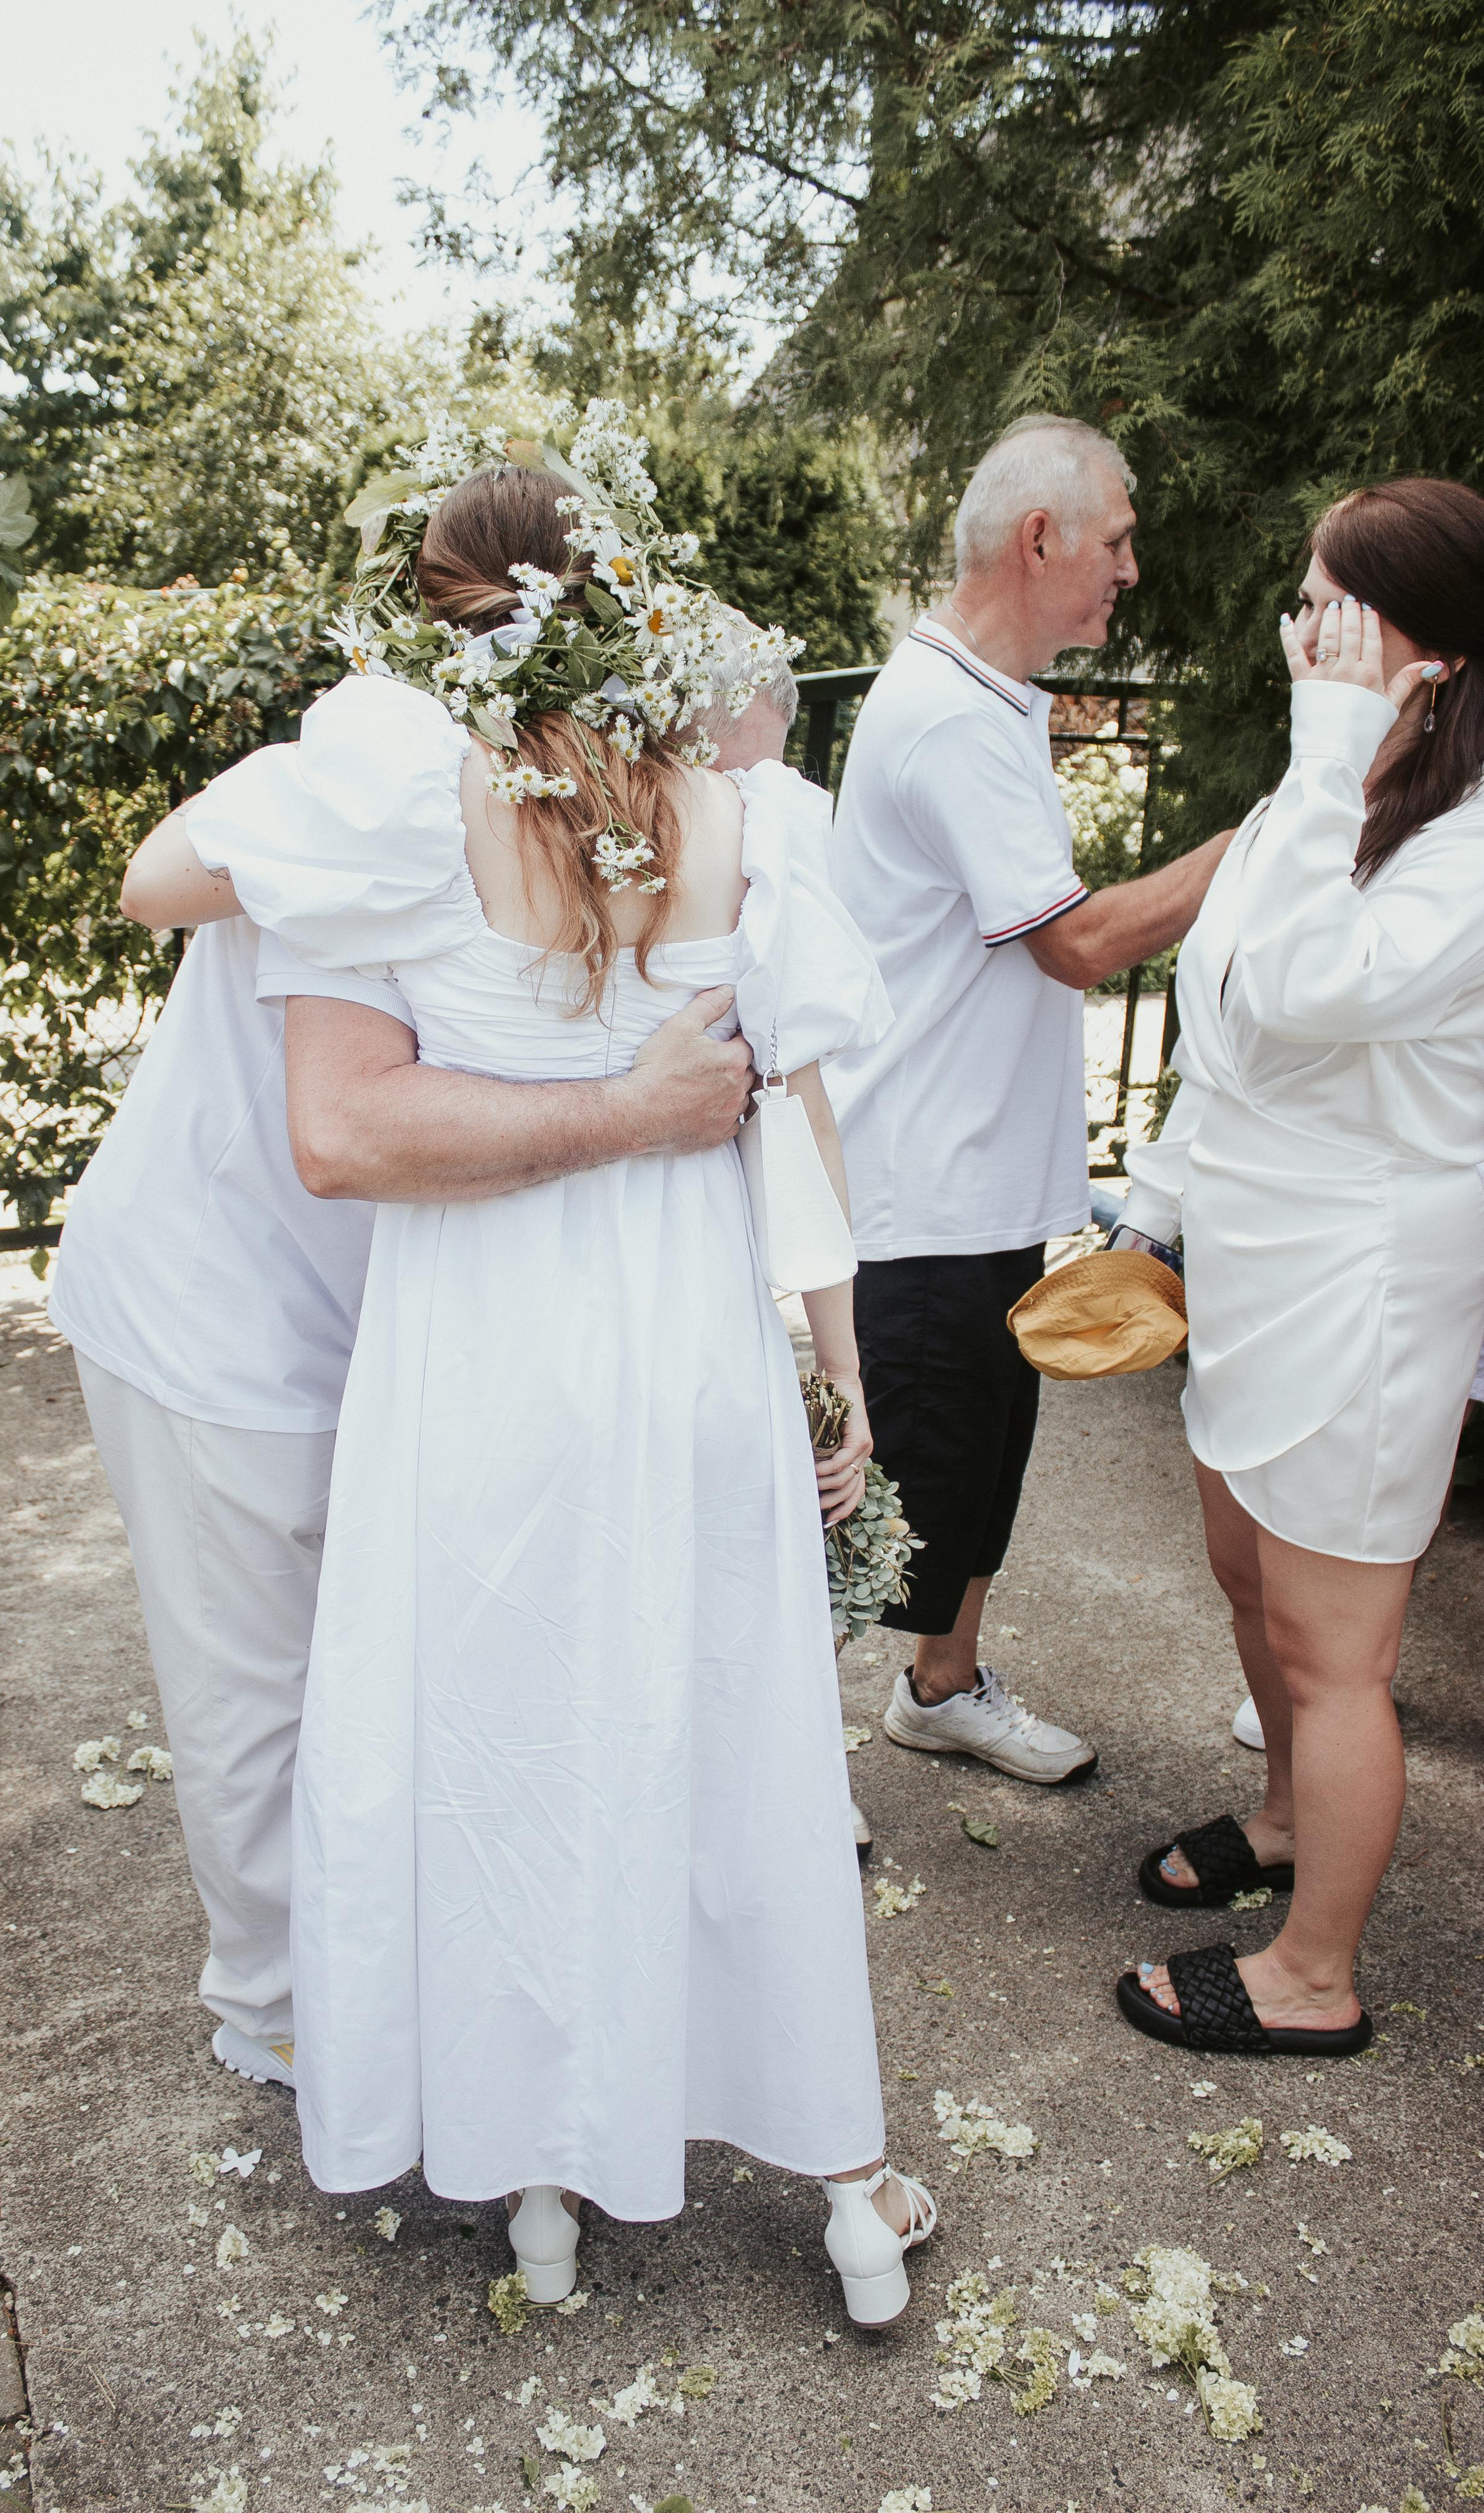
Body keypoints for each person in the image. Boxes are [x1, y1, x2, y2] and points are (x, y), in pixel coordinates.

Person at [119, 435, 939, 2326]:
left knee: (501, 1737)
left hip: (483, 1353)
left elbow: (308, 1081)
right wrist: (839, 1381)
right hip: (692, 1346)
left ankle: (541, 2173)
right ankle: (838, 2184)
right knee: (725, 1733)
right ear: (635, 595)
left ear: (434, 602)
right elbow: (800, 1119)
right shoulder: (745, 816)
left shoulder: (390, 802)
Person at [54, 781, 755, 2094]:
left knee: (392, 1680)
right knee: (255, 1699)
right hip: (216, 1304)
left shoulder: (617, 823)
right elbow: (160, 890)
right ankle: (283, 2020)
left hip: (401, 1326)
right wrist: (631, 1108)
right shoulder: (360, 783)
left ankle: (393, 1983)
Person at [1114, 477, 1484, 2058]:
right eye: (1303, 597)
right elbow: (1227, 1026)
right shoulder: (1312, 794)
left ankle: (1311, 1976)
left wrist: (1327, 745)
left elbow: (1311, 991)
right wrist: (1155, 1208)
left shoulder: (1464, 847)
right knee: (1251, 1578)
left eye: (1340, 603)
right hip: (1256, 1252)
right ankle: (1279, 1816)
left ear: (1437, 650)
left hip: (1364, 1277)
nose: (1304, 632)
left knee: (1338, 1648)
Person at [827, 414, 1232, 1783]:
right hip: (923, 1185)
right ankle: (755, 1778)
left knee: (976, 1469)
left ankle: (938, 1692)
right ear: (1039, 537)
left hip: (978, 1178)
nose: (1130, 568)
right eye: (1115, 538)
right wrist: (1251, 846)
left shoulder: (991, 695)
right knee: (884, 1500)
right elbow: (1072, 940)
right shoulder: (945, 715)